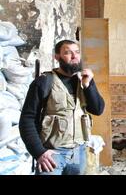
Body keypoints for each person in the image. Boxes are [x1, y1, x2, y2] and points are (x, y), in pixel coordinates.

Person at [19, 40, 105, 175]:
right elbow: (27, 120)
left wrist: (89, 86)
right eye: (67, 53)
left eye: (77, 52)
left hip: (79, 152)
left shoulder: (83, 80)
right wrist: (39, 152)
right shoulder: (44, 82)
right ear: (57, 57)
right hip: (52, 154)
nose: (74, 56)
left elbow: (98, 109)